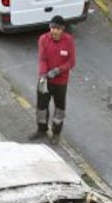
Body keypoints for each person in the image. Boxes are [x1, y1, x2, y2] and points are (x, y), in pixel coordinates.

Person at [29, 15, 76, 145]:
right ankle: (41, 129)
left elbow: (71, 62)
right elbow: (42, 59)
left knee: (60, 109)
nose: (55, 31)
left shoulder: (68, 40)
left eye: (58, 29)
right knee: (41, 108)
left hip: (60, 82)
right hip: (45, 80)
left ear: (63, 30)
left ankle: (56, 132)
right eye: (53, 28)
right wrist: (43, 75)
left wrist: (57, 70)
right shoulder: (43, 39)